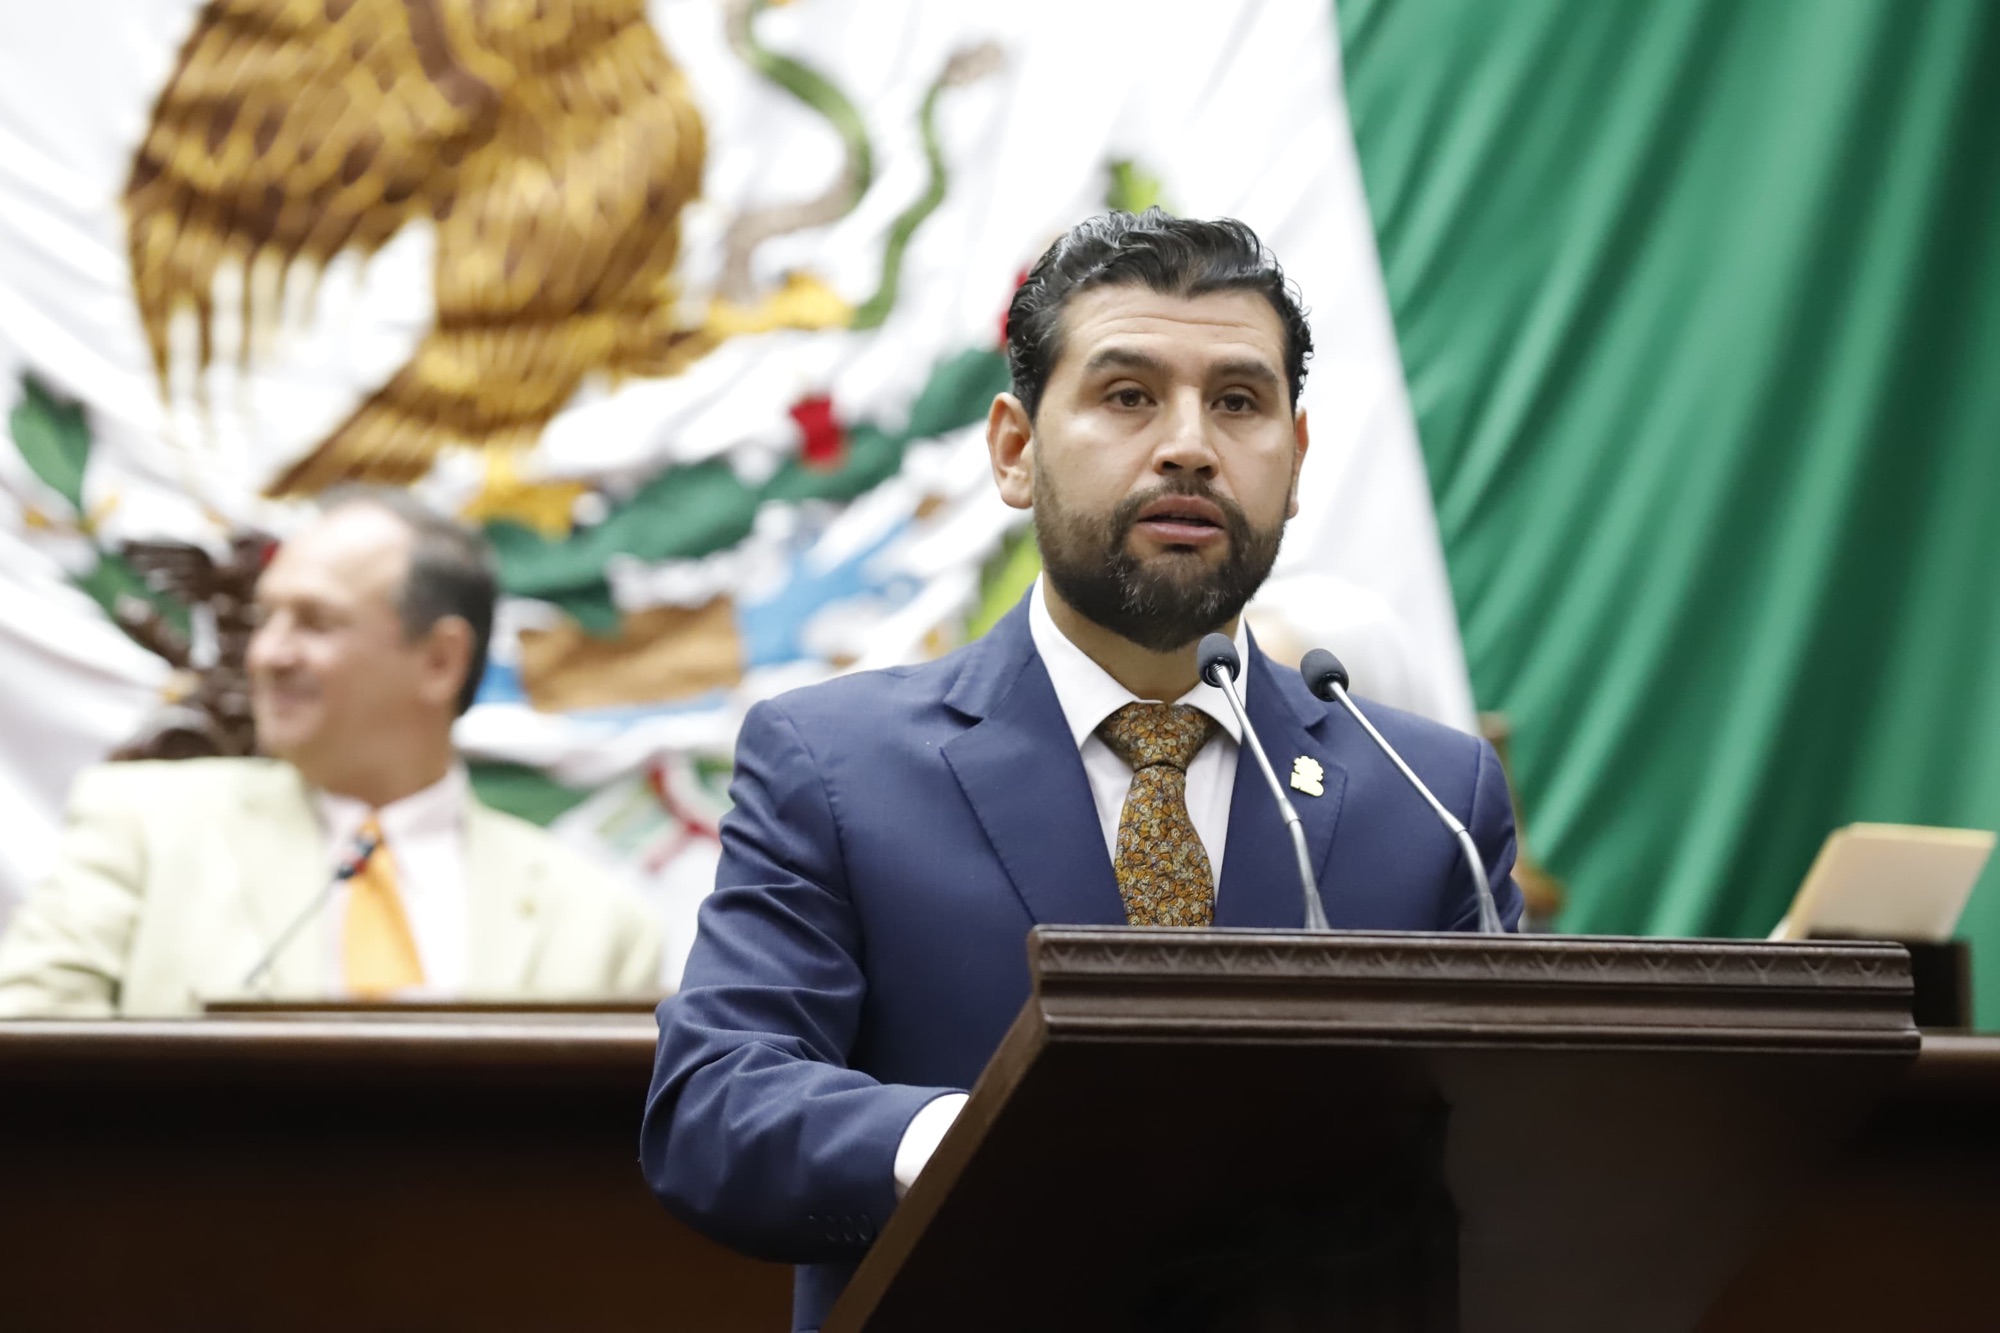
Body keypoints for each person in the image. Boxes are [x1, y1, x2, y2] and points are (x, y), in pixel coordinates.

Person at [640, 209, 1523, 1330]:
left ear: (1296, 460)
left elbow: (1512, 1160)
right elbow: (716, 1106)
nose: (1189, 445)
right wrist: (968, 1140)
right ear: (1015, 449)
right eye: (1128, 395)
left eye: (1238, 402)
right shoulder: (835, 765)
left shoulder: (1427, 797)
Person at [0, 490, 661, 1017]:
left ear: (440, 660)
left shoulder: (599, 922)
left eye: (314, 622)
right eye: (266, 619)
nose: (268, 654)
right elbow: (29, 1056)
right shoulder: (145, 829)